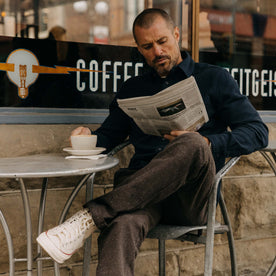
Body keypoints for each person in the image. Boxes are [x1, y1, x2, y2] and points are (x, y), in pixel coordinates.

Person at [37, 8, 268, 275]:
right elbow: (109, 135)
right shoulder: (133, 89)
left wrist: (208, 142)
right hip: (141, 197)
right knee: (122, 225)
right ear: (139, 48)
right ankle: (98, 217)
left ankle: (90, 218)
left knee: (192, 143)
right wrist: (88, 136)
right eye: (147, 46)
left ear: (177, 35)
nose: (157, 51)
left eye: (162, 42)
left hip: (190, 198)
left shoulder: (214, 78)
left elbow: (258, 132)